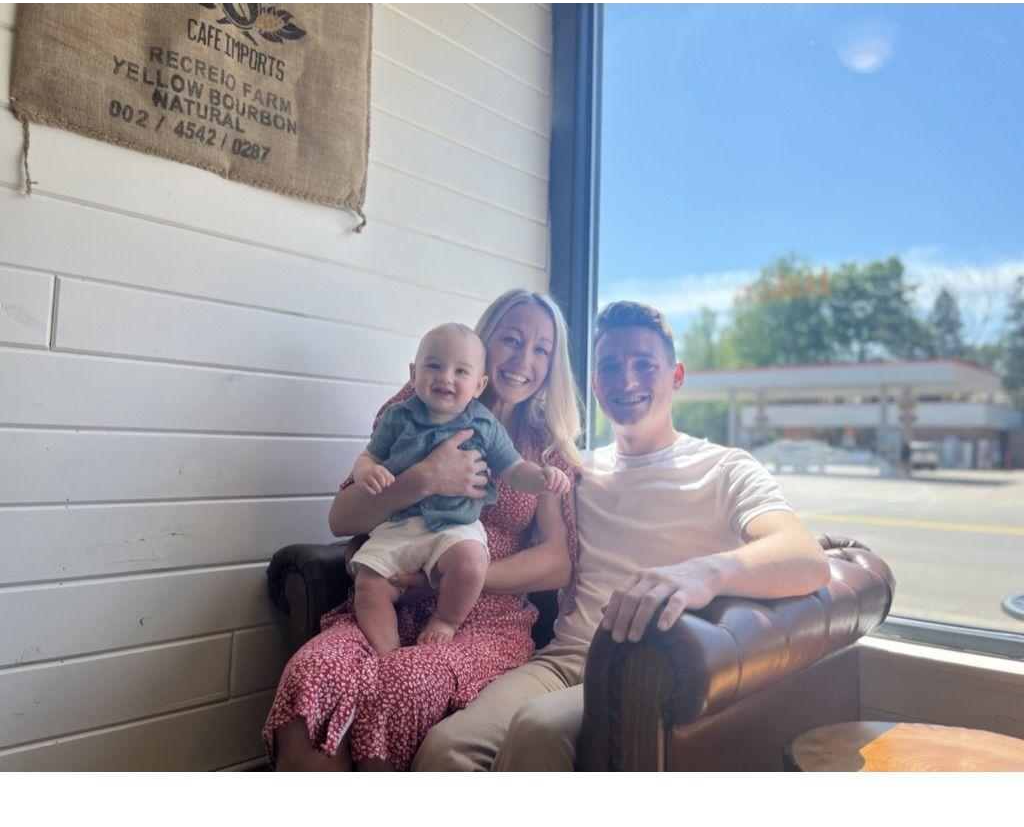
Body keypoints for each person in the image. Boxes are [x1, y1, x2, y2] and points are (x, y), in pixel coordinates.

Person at [411, 300, 832, 771]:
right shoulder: (578, 471)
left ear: (676, 376)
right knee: (448, 747)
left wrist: (703, 574)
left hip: (648, 669)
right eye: (610, 367)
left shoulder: (724, 467)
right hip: (563, 659)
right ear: (595, 384)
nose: (626, 381)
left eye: (644, 365)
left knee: (538, 729)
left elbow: (805, 557)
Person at [262, 289, 583, 771]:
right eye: (512, 340)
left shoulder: (546, 445)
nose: (524, 360)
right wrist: (425, 478)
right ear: (484, 343)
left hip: (484, 621)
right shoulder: (415, 404)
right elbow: (342, 518)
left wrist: (449, 580)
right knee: (312, 673)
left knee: (401, 684)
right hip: (386, 602)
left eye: (541, 350)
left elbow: (557, 563)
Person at [349, 322, 570, 654]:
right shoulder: (399, 415)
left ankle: (445, 620)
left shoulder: (484, 425)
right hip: (399, 525)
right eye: (434, 366)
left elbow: (513, 469)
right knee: (369, 585)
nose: (445, 378)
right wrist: (368, 471)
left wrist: (540, 477)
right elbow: (368, 458)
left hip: (455, 528)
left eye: (460, 371)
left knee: (470, 560)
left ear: (479, 384)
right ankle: (386, 653)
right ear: (413, 373)